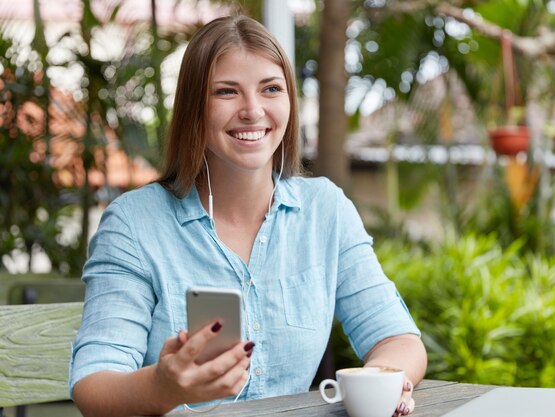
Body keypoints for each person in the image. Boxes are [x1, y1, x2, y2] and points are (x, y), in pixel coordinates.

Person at [69, 14, 427, 417]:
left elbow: (397, 337)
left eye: (271, 89)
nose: (253, 110)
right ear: (194, 108)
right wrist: (161, 386)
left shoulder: (325, 210)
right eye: (226, 92)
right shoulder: (134, 224)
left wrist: (388, 381)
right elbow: (93, 386)